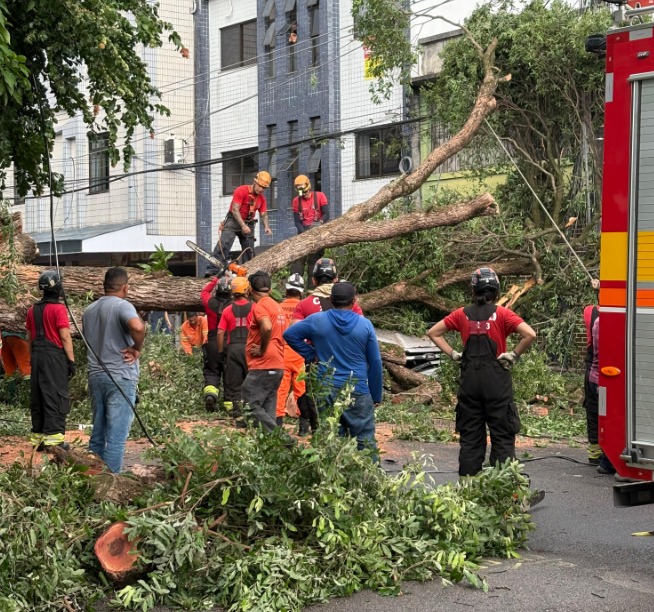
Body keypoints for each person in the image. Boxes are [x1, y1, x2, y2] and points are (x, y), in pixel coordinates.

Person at [426, 267, 536, 477]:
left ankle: (467, 491)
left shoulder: (461, 314)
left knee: (471, 438)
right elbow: (530, 334)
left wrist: (453, 354)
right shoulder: (502, 314)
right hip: (497, 384)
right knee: (502, 436)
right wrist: (513, 355)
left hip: (470, 384)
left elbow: (433, 332)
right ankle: (504, 490)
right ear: (496, 291)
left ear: (473, 291)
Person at [284, 282, 383, 460]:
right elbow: (375, 361)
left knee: (330, 440)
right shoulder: (365, 325)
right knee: (365, 440)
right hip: (357, 390)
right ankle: (371, 480)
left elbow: (290, 334)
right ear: (354, 301)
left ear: (330, 300)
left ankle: (331, 482)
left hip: (326, 389)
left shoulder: (317, 320)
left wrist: (311, 354)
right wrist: (376, 395)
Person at [83, 267, 145, 473]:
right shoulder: (122, 305)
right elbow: (137, 327)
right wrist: (137, 348)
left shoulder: (89, 310)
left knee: (98, 434)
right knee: (116, 437)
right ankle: (110, 486)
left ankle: (90, 480)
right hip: (120, 375)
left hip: (95, 376)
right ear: (125, 287)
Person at [25, 270, 75, 450]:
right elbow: (65, 337)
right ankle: (54, 442)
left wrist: (32, 357)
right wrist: (71, 361)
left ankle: (38, 439)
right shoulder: (59, 309)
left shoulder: (32, 310)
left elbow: (28, 337)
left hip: (37, 355)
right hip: (53, 357)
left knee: (38, 395)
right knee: (55, 395)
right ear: (59, 288)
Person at [241, 271, 285, 432]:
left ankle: (282, 438)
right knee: (267, 409)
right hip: (277, 364)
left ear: (250, 289)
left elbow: (266, 327)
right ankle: (270, 448)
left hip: (263, 365)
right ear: (270, 289)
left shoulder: (260, 306)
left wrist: (261, 348)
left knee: (249, 405)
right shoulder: (277, 306)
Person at [209, 171, 273, 273]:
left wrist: (266, 226)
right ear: (255, 182)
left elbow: (264, 214)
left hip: (249, 223)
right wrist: (242, 225)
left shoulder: (262, 199)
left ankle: (248, 272)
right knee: (225, 242)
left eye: (264, 188)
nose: (261, 189)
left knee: (249, 249)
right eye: (260, 186)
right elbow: (235, 210)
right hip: (234, 220)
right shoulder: (241, 190)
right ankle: (213, 269)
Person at [275, 273, 307, 428]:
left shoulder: (278, 308)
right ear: (301, 291)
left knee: (281, 390)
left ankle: (278, 425)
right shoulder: (304, 307)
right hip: (300, 354)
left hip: (282, 353)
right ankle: (303, 426)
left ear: (286, 289)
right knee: (301, 390)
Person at [218, 276, 252, 416]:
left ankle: (238, 414)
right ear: (246, 290)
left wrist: (221, 352)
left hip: (233, 348)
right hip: (249, 348)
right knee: (250, 381)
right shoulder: (254, 308)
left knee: (236, 384)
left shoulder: (227, 310)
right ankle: (250, 412)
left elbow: (220, 333)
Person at [292, 258, 363, 322]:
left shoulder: (303, 305)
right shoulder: (350, 304)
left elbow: (292, 333)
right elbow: (363, 329)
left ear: (313, 280)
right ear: (336, 279)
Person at [201, 275, 232, 411]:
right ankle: (229, 405)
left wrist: (215, 279)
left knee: (212, 371)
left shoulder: (209, 303)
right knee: (229, 372)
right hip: (229, 342)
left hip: (213, 342)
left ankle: (211, 395)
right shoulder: (234, 306)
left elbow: (204, 292)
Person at [290, 175, 329, 277]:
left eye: (306, 192)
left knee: (314, 262)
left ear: (309, 187)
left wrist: (320, 222)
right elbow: (297, 222)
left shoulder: (320, 196)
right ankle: (295, 288)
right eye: (302, 193)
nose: (305, 194)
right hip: (303, 231)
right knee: (297, 261)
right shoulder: (296, 201)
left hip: (317, 231)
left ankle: (312, 290)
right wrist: (303, 234)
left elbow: (326, 214)